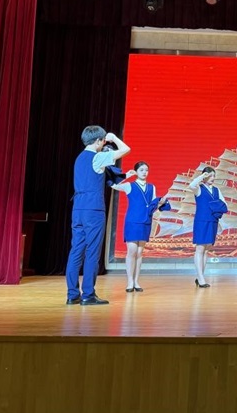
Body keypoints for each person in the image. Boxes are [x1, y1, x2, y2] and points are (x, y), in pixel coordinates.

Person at [66, 126, 130, 305]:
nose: (103, 144)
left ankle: (72, 295)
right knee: (92, 252)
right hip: (93, 209)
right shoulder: (98, 157)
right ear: (98, 141)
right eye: (102, 141)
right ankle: (88, 294)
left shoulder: (79, 158)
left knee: (76, 250)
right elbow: (126, 150)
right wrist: (113, 138)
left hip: (78, 208)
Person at [111, 162, 170, 292]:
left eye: (146, 170)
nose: (144, 172)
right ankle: (130, 282)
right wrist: (127, 176)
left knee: (139, 252)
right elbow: (113, 185)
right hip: (133, 221)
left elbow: (153, 206)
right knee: (132, 251)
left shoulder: (152, 187)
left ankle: (136, 281)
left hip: (146, 221)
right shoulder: (129, 186)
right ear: (136, 171)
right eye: (141, 170)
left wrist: (161, 202)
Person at [189, 166, 228, 288]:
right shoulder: (199, 189)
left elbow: (224, 204)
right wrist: (202, 176)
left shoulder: (216, 190)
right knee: (200, 249)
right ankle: (201, 278)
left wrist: (216, 209)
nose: (212, 178)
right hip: (201, 222)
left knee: (206, 249)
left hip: (213, 221)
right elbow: (191, 185)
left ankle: (200, 276)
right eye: (210, 175)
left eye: (214, 176)